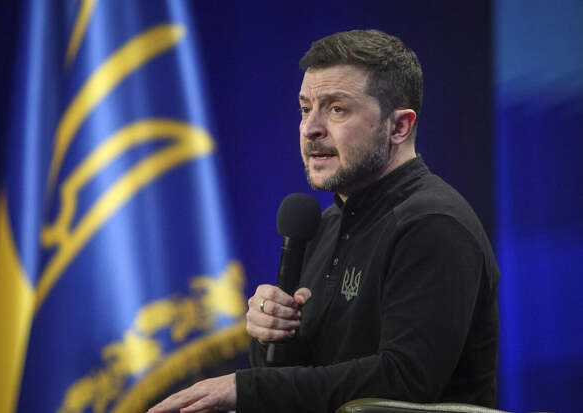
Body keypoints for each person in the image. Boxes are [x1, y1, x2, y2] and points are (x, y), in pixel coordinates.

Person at [148, 29, 499, 413]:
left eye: (336, 109)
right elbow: (300, 377)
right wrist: (270, 336)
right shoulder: (322, 227)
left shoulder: (433, 225)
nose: (310, 128)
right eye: (305, 109)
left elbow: (404, 381)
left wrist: (248, 388)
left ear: (399, 127)